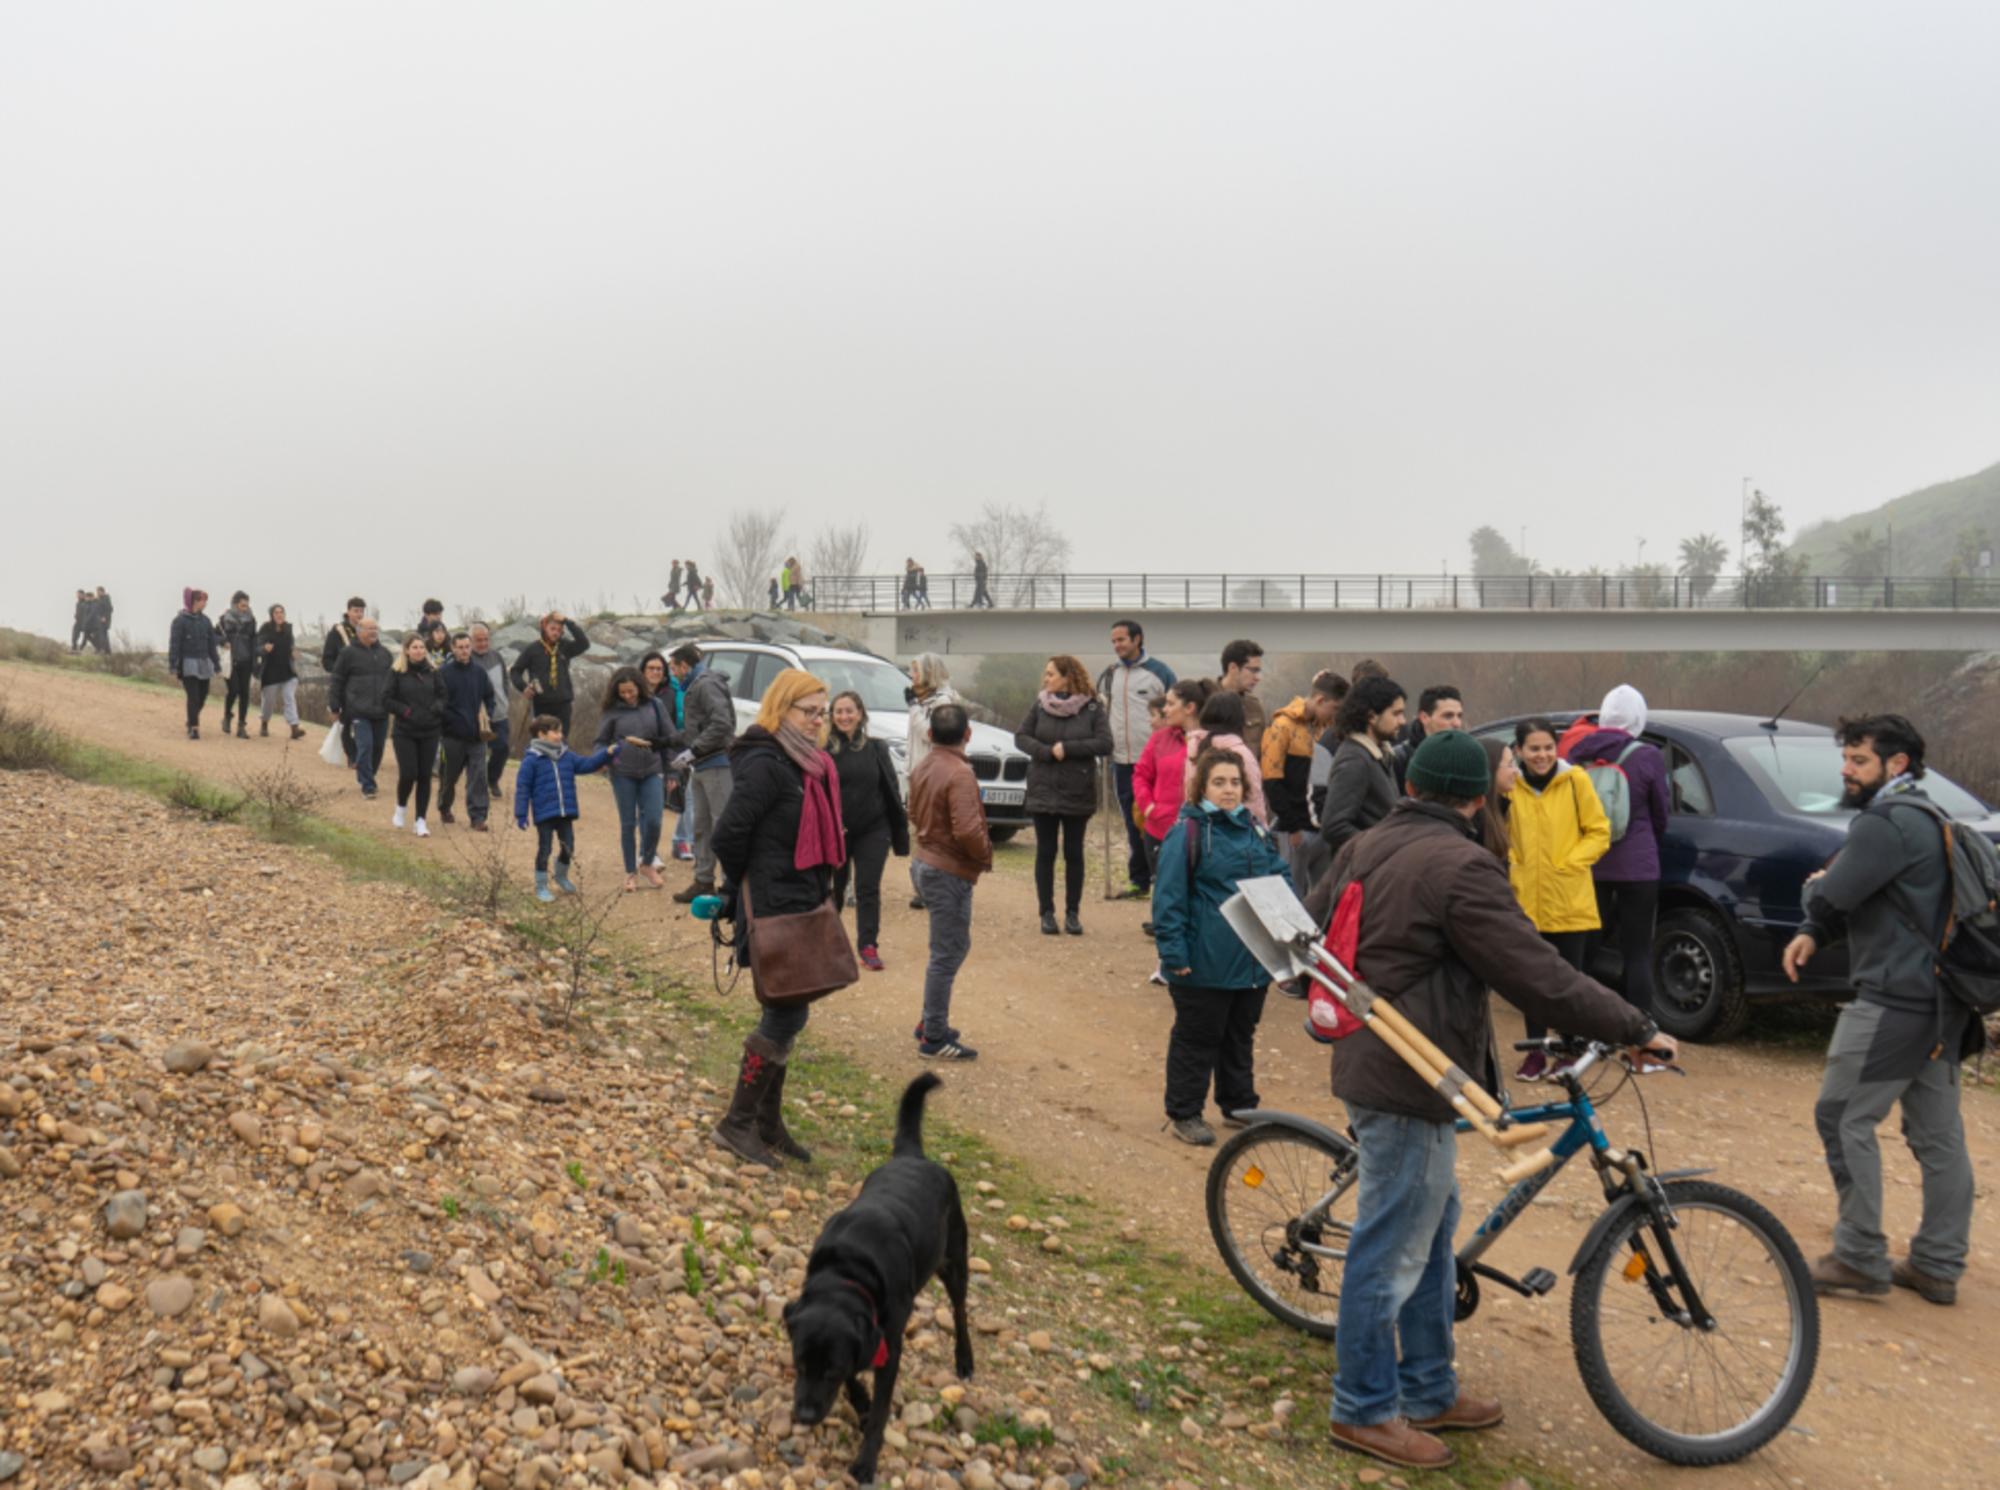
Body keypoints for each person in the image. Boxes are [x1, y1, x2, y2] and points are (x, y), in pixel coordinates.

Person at [1319, 730, 1673, 1471]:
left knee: (1431, 1221)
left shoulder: (1371, 843)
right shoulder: (1461, 864)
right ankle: (1362, 1408)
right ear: (1477, 796)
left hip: (1390, 1062)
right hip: (1406, 1076)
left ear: (1413, 786)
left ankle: (1426, 1386)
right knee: (1392, 1243)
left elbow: (1310, 926)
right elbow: (1535, 973)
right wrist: (1634, 1025)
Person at [1783, 714, 1976, 1304]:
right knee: (1938, 1137)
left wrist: (1816, 892)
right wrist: (1818, 925)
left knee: (1841, 1116)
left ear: (1897, 765)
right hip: (1943, 1004)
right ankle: (1939, 1264)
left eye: (1859, 760)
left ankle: (1860, 1254)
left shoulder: (1885, 823)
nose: (1846, 770)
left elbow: (1832, 892)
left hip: (1893, 1002)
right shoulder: (1934, 817)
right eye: (1846, 758)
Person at [709, 669, 845, 1166]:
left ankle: (765, 1122)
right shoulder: (766, 762)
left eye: (821, 712)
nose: (816, 721)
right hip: (772, 905)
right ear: (780, 708)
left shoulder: (804, 763)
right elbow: (728, 836)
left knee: (793, 1008)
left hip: (799, 899)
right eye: (807, 711)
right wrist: (747, 883)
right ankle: (737, 1123)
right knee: (785, 1011)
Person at [1154, 748, 1293, 1145]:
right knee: (1198, 1036)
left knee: (1239, 1034)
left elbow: (1280, 878)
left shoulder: (1255, 831)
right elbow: (1169, 897)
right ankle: (1185, 1112)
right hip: (1203, 960)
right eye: (1219, 782)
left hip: (1251, 959)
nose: (1229, 790)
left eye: (1234, 782)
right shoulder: (1188, 833)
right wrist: (1173, 953)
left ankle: (1239, 1105)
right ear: (1202, 787)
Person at [1504, 717, 1612, 1080]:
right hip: (1525, 901)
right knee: (1531, 980)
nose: (1542, 755)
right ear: (1519, 750)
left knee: (1567, 981)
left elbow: (1599, 832)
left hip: (1569, 899)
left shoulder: (1575, 780)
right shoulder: (1510, 787)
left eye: (1548, 747)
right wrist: (1513, 865)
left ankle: (1570, 1051)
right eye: (1534, 749)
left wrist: (1570, 863)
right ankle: (1535, 1053)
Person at [1564, 684, 1669, 1019]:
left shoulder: (1577, 753)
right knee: (1637, 952)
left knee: (1587, 948)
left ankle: (1582, 1019)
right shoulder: (1648, 755)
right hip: (1639, 866)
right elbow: (1660, 814)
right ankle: (1640, 1031)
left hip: (1592, 863)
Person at [909, 702, 992, 1058]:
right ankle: (934, 1036)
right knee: (947, 953)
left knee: (949, 948)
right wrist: (984, 854)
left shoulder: (923, 765)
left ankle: (931, 1020)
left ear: (929, 735)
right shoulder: (959, 773)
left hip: (925, 861)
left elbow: (911, 810)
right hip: (947, 870)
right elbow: (968, 829)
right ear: (968, 735)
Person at [1015, 655, 1113, 937]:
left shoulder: (1092, 708)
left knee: (1074, 853)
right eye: (1046, 674)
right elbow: (1021, 737)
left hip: (1077, 791)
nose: (1045, 679)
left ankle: (1073, 913)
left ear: (1067, 677)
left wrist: (1068, 748)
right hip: (1043, 789)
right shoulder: (1040, 705)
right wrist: (1046, 752)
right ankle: (1046, 913)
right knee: (1045, 853)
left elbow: (1105, 743)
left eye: (1051, 674)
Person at [828, 690, 909, 971]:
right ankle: (830, 944)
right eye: (838, 711)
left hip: (874, 829)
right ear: (832, 716)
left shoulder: (876, 747)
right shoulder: (823, 749)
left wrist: (897, 828)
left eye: (850, 710)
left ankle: (868, 945)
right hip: (836, 831)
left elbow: (891, 788)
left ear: (860, 713)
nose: (844, 716)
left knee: (867, 888)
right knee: (834, 889)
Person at [1098, 619, 1177, 900]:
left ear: (1137, 639)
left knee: (1156, 818)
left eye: (1122, 640)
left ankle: (1163, 876)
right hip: (1121, 759)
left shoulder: (1160, 673)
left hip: (1156, 760)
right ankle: (1138, 880)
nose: (1117, 646)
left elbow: (1174, 712)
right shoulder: (1110, 675)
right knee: (1132, 821)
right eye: (1114, 641)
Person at [513, 715, 617, 901]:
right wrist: (521, 814)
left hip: (565, 812)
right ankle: (542, 885)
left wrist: (606, 754)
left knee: (568, 847)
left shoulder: (566, 756)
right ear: (541, 734)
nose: (560, 735)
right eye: (556, 731)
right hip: (545, 814)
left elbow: (587, 764)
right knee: (544, 849)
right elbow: (523, 788)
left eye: (560, 731)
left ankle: (561, 876)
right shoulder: (532, 760)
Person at [595, 664, 680, 890]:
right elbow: (601, 742)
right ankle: (630, 872)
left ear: (639, 687)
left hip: (652, 770)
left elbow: (670, 738)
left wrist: (672, 770)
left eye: (631, 691)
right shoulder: (612, 710)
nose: (628, 696)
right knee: (628, 823)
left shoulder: (655, 705)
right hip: (622, 773)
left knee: (654, 820)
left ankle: (648, 862)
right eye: (623, 692)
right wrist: (602, 759)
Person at [1263, 670, 1345, 884]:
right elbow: (1271, 781)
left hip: (1321, 830)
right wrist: (1292, 827)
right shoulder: (1282, 726)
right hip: (1295, 831)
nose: (1335, 716)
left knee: (1321, 898)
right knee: (1292, 896)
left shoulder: (1321, 730)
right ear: (1320, 700)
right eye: (1334, 708)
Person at [671, 642, 737, 904]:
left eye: (674, 667)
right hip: (702, 763)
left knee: (722, 824)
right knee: (701, 825)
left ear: (685, 665)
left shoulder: (705, 684)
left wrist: (694, 750)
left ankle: (731, 883)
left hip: (717, 763)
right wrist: (670, 742)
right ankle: (703, 880)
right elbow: (700, 726)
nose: (673, 673)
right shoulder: (696, 685)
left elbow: (721, 723)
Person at [1317, 676, 1406, 870]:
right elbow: (1333, 827)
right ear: (1372, 716)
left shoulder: (1379, 754)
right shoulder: (1355, 759)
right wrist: (1379, 847)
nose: (1403, 721)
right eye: (1396, 713)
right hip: (1365, 873)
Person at [904, 653, 962, 909]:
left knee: (934, 830)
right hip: (919, 772)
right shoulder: (923, 699)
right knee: (921, 830)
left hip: (935, 774)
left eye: (915, 671)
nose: (911, 676)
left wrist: (914, 708)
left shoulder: (943, 701)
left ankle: (933, 885)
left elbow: (930, 733)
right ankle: (923, 884)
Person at [386, 636, 447, 836]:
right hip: (405, 731)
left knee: (424, 776)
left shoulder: (433, 672)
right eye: (415, 647)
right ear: (406, 650)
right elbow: (386, 699)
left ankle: (420, 820)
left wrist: (436, 708)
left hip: (430, 730)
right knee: (409, 773)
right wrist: (405, 711)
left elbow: (443, 695)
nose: (419, 651)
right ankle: (401, 807)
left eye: (422, 647)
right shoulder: (397, 673)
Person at [438, 633, 499, 831]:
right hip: (452, 736)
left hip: (477, 736)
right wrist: (449, 721)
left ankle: (478, 817)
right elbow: (438, 703)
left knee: (478, 777)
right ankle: (444, 806)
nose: (464, 651)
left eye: (467, 646)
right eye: (460, 647)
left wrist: (487, 715)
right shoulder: (444, 673)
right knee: (450, 776)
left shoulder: (479, 672)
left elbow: (490, 697)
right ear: (453, 649)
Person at [327, 617, 393, 797]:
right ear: (359, 631)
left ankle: (368, 775)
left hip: (381, 710)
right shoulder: (348, 653)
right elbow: (337, 680)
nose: (373, 632)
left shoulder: (385, 654)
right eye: (369, 629)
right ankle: (367, 785)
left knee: (378, 748)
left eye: (375, 629)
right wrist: (335, 706)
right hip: (357, 711)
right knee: (365, 747)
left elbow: (393, 682)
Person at [1182, 690, 1266, 826]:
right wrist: (1262, 832)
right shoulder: (1241, 754)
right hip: (1235, 832)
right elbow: (1253, 800)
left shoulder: (1195, 747)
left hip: (1202, 828)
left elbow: (1190, 793)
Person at [641, 650, 694, 864]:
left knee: (662, 808)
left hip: (663, 754)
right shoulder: (633, 690)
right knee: (642, 811)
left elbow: (671, 731)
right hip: (637, 756)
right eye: (651, 668)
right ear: (642, 671)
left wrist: (672, 767)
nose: (655, 672)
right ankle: (646, 854)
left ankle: (667, 846)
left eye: (659, 669)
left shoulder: (670, 695)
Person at [509, 612, 592, 736]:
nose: (555, 633)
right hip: (541, 704)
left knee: (561, 741)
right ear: (544, 628)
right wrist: (523, 687)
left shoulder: (565, 647)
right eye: (552, 629)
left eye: (559, 630)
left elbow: (584, 644)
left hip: (563, 703)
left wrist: (567, 621)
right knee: (541, 740)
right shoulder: (533, 649)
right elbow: (515, 671)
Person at [467, 624, 514, 800]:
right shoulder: (467, 659)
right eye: (479, 640)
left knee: (502, 748)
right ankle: (476, 786)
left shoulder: (496, 657)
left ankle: (492, 779)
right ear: (471, 641)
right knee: (476, 753)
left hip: (499, 713)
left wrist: (505, 700)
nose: (483, 643)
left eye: (486, 639)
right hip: (475, 716)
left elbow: (504, 681)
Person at [166, 588, 220, 740]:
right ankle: (194, 728)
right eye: (203, 600)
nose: (205, 603)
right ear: (195, 601)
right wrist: (173, 665)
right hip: (188, 663)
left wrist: (216, 664)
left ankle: (191, 719)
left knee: (203, 695)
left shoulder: (206, 621)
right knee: (193, 696)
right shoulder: (179, 621)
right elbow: (174, 644)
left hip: (204, 662)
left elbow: (211, 645)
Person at [1392, 686, 1465, 791]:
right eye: (1448, 716)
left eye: (1459, 716)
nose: (1457, 723)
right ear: (1424, 718)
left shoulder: (1465, 757)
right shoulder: (1400, 759)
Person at [322, 597, 367, 764]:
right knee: (346, 720)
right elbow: (327, 660)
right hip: (344, 684)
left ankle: (363, 752)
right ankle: (352, 755)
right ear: (348, 611)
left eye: (362, 611)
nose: (359, 614)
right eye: (356, 611)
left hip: (363, 684)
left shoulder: (366, 631)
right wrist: (340, 671)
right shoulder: (337, 632)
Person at [255, 604, 304, 739]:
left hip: (287, 671)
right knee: (268, 703)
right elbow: (257, 647)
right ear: (272, 615)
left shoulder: (288, 629)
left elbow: (291, 645)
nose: (279, 615)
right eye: (276, 612)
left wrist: (293, 652)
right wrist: (265, 648)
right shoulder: (265, 629)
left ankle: (294, 727)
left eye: (282, 612)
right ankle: (264, 723)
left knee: (289, 697)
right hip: (270, 673)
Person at [216, 591, 259, 739]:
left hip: (246, 660)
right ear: (234, 605)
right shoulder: (223, 619)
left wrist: (255, 661)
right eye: (242, 605)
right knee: (233, 690)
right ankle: (227, 717)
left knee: (245, 694)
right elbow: (214, 636)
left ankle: (241, 726)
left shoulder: (252, 620)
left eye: (247, 605)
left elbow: (254, 641)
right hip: (230, 661)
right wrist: (223, 642)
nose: (245, 608)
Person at [1217, 640, 1267, 756]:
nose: (1257, 678)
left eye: (1258, 671)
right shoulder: (1204, 702)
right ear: (1233, 668)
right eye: (1253, 670)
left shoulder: (1255, 707)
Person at [88, 587, 113, 654]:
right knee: (103, 635)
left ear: (102, 592)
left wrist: (105, 617)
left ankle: (102, 649)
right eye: (97, 592)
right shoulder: (99, 599)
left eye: (98, 592)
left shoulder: (106, 598)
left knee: (102, 635)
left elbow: (109, 609)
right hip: (99, 620)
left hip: (104, 620)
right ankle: (107, 651)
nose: (97, 593)